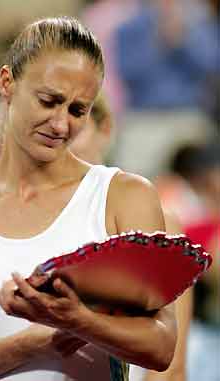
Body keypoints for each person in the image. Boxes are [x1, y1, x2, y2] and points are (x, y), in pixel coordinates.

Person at [0, 17, 177, 381]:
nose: (60, 124)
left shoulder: (125, 197)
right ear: (7, 83)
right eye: (48, 101)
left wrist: (79, 321)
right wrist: (27, 345)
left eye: (77, 110)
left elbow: (162, 345)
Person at [70, 92, 193, 381]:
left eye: (78, 119)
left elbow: (171, 366)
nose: (64, 133)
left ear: (105, 129)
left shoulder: (161, 221)